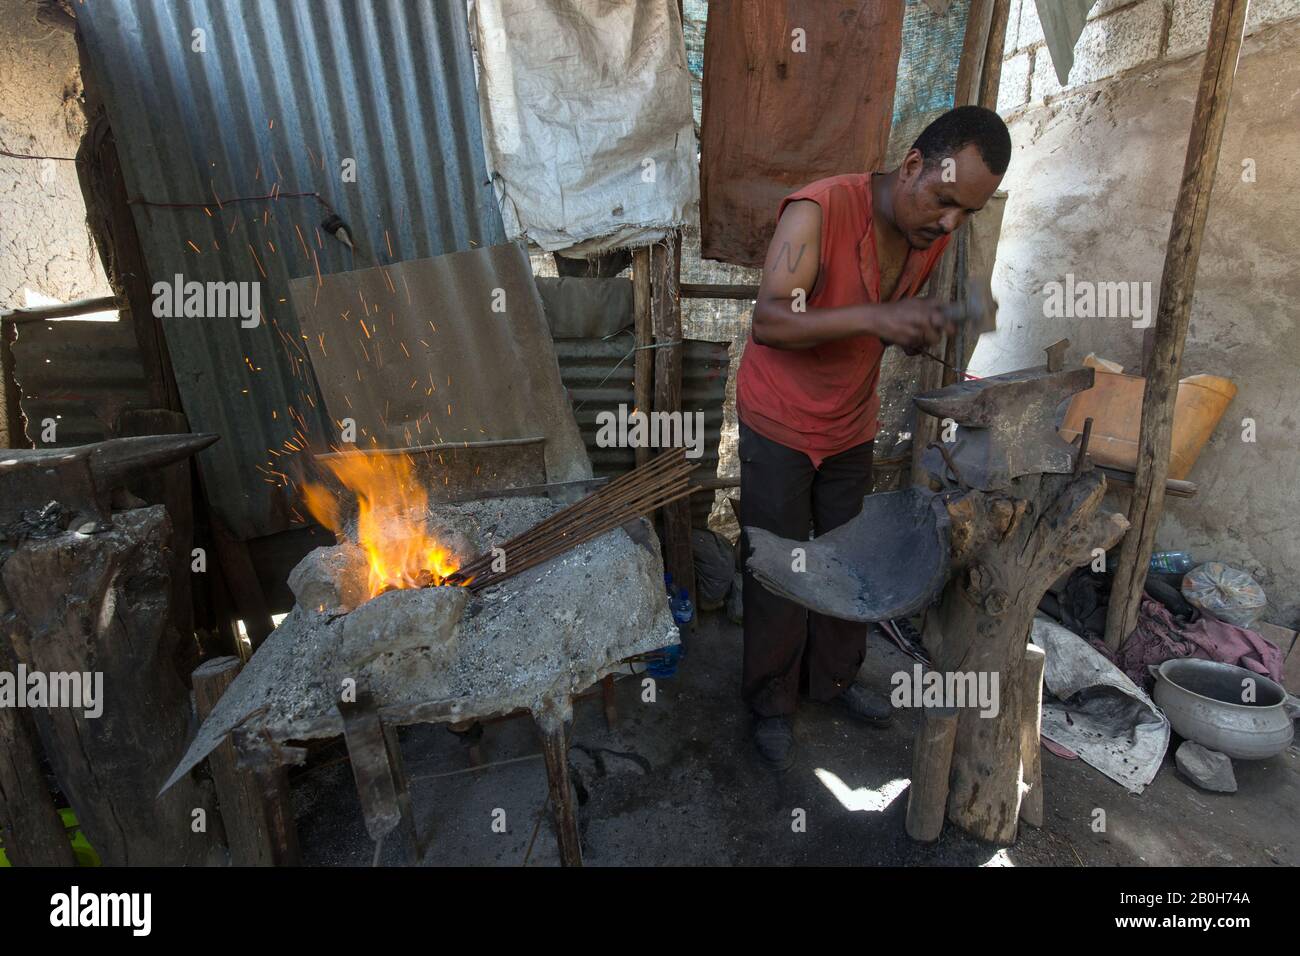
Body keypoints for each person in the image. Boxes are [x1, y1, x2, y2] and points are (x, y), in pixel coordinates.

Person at [736, 105, 1011, 771]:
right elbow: (771, 319)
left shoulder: (930, 232)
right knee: (783, 566)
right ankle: (770, 700)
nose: (948, 223)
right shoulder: (819, 211)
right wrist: (881, 316)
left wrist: (925, 319)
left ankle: (830, 681)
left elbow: (880, 320)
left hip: (849, 423)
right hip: (778, 421)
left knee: (853, 560)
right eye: (945, 201)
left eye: (965, 213)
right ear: (912, 165)